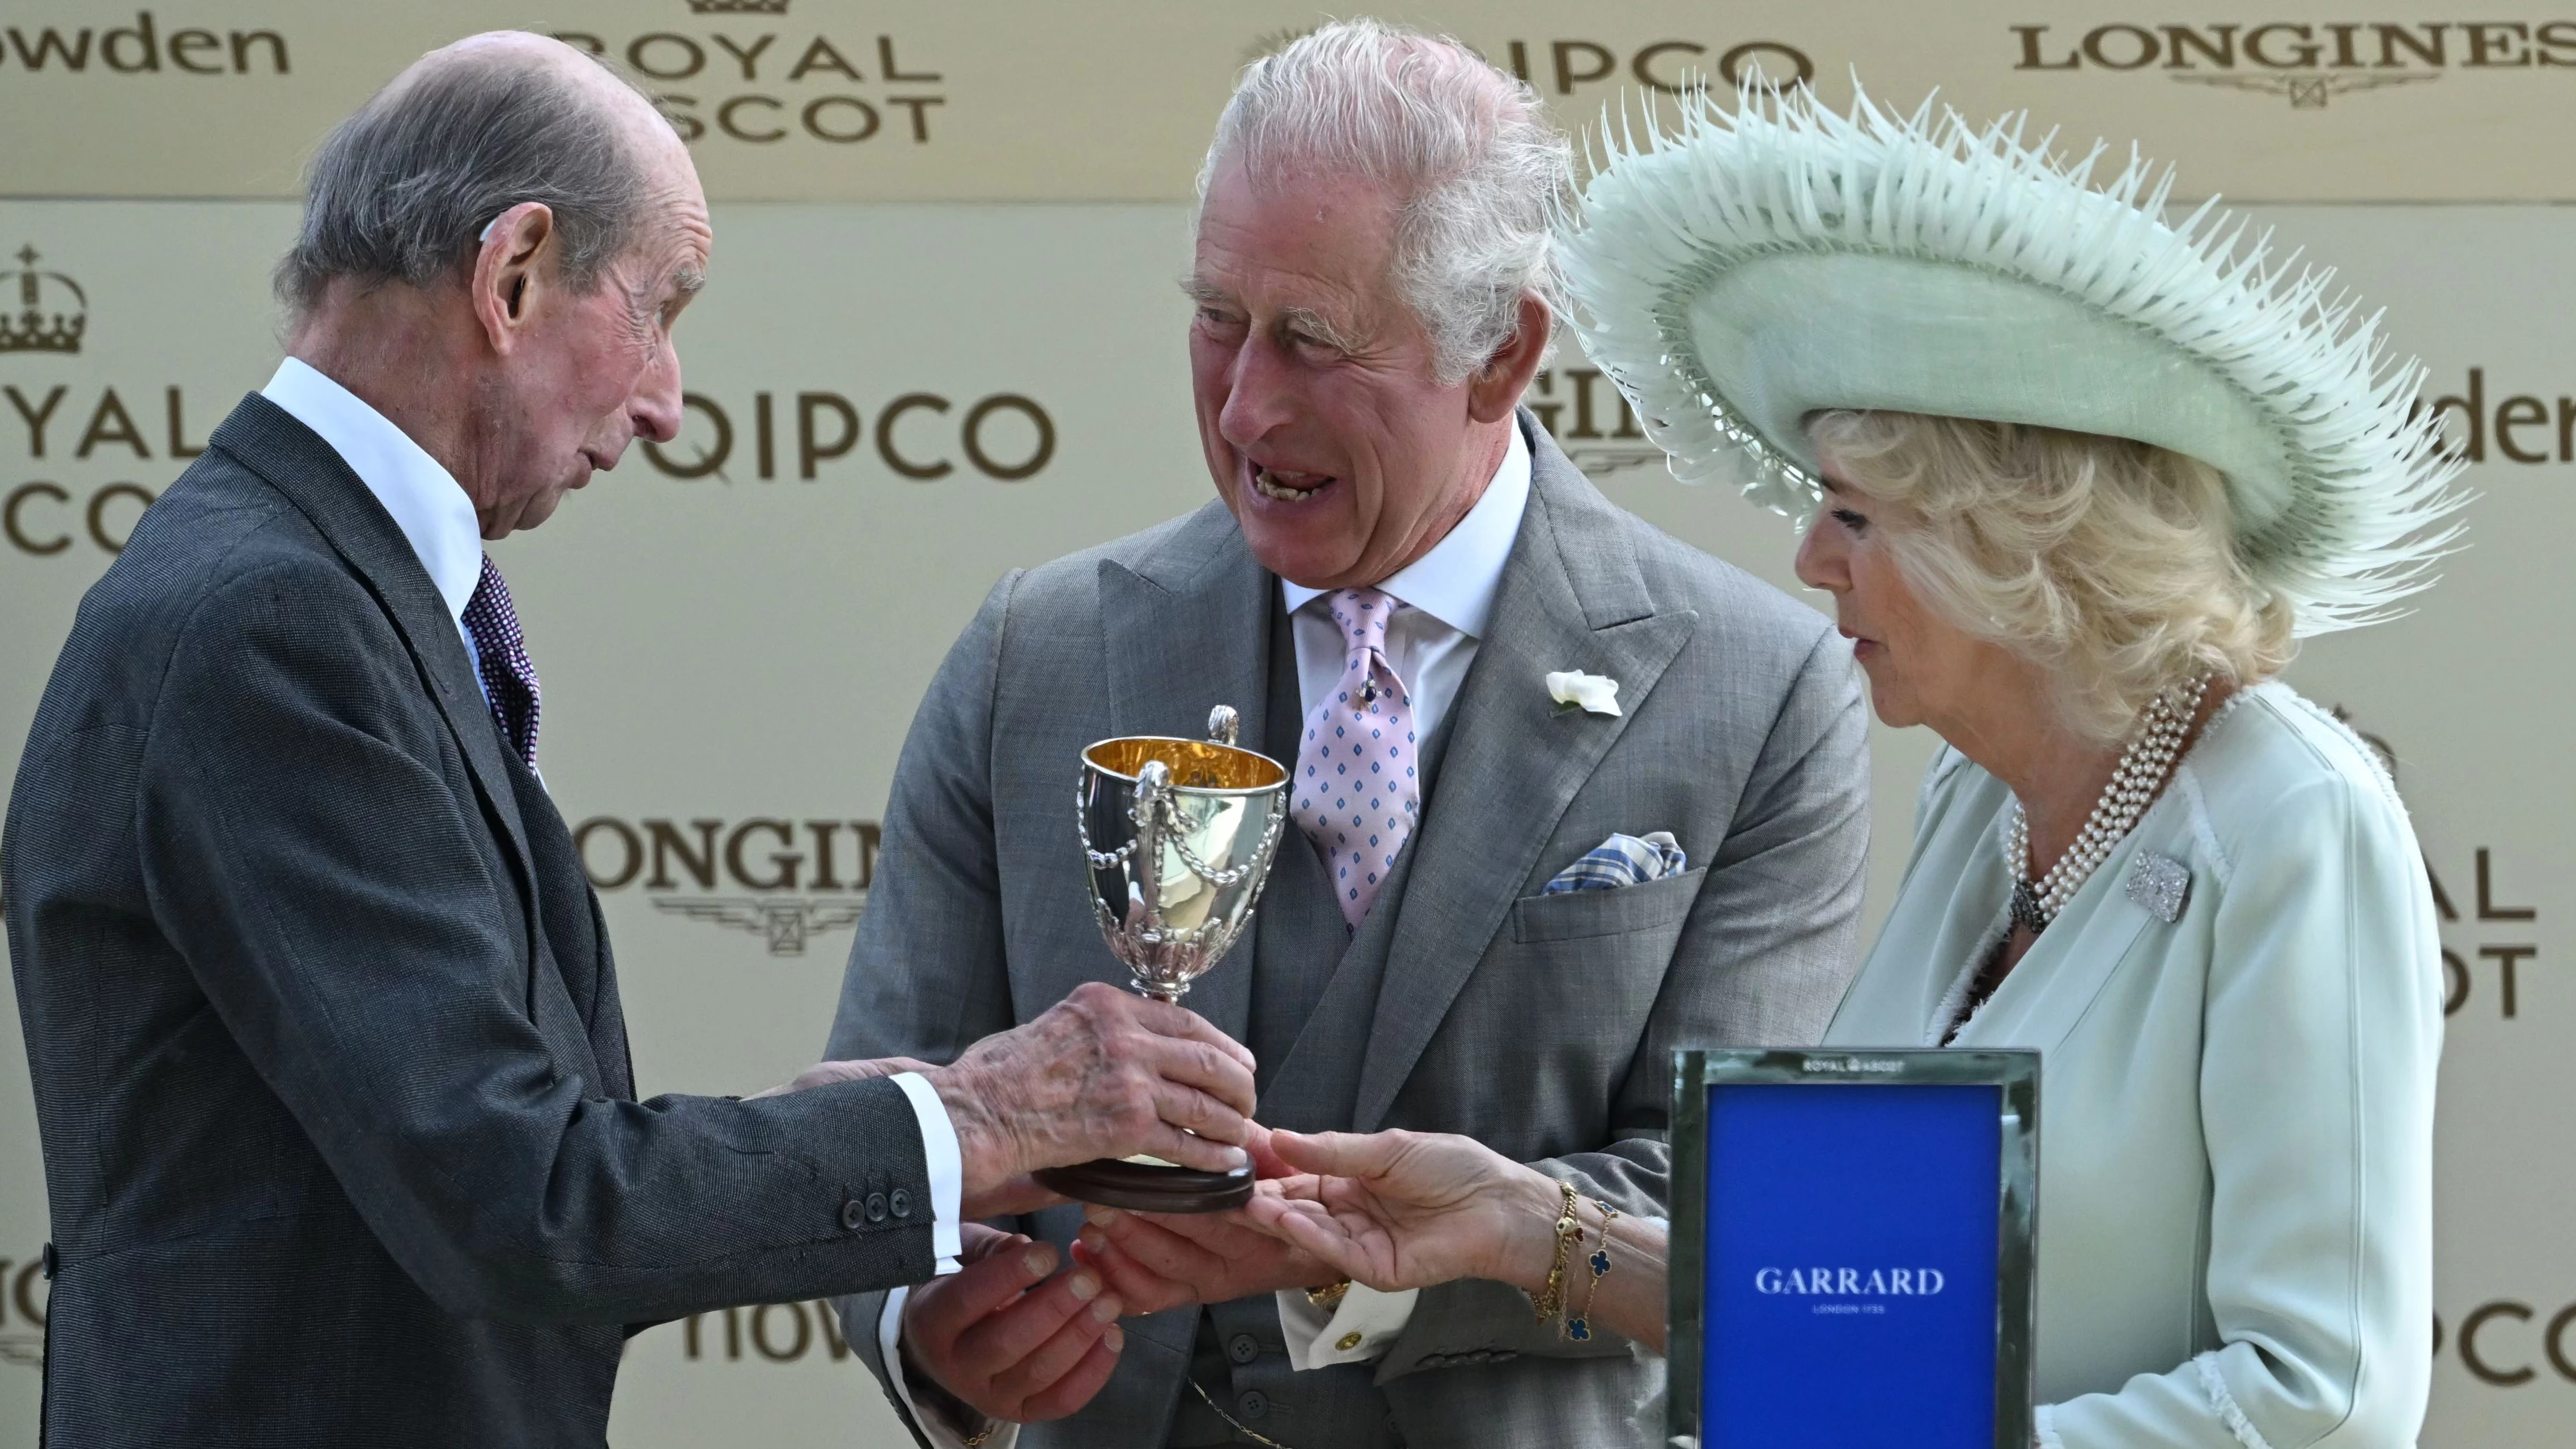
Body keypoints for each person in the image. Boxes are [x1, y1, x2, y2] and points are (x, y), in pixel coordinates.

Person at [0, 34, 1259, 1447]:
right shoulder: (268, 619)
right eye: (659, 308)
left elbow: (482, 1160)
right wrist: (972, 1122)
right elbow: (518, 1201)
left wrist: (877, 1132)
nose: (666, 398)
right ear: (515, 272)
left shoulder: (311, 583)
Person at [1200, 82, 2463, 1449]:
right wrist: (1525, 1227)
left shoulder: (2296, 820)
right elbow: (1860, 1306)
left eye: (1855, 515)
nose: (1810, 561)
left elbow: (2327, 1398)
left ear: (2017, 541)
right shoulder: (1986, 798)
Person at [825, 20, 1873, 1449]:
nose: (1247, 405)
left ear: (1500, 353)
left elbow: (1732, 1222)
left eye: (1313, 341)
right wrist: (931, 1327)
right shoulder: (1035, 654)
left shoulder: (1756, 695)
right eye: (1216, 318)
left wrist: (1373, 1279)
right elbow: (883, 1129)